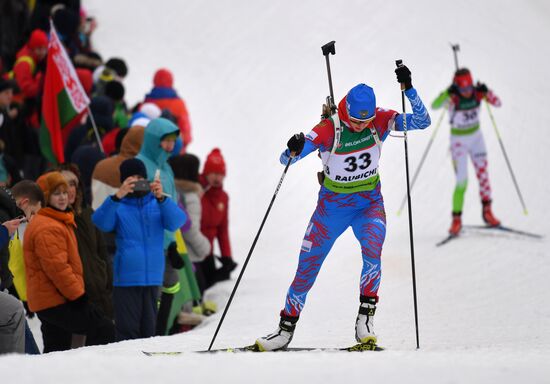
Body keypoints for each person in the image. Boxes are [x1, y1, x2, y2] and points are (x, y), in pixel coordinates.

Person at [255, 65, 431, 351]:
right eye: (356, 121)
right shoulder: (329, 128)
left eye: (366, 122)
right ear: (346, 111)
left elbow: (423, 121)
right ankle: (285, 330)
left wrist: (408, 88)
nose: (362, 126)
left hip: (369, 205)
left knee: (373, 254)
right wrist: (294, 147)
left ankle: (365, 321)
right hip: (331, 211)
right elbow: (285, 159)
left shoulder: (381, 121)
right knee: (306, 268)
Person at [92, 158, 187, 341]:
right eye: (131, 178)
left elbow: (176, 222)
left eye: (140, 177)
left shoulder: (157, 203)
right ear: (123, 182)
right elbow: (101, 223)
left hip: (152, 278)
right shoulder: (118, 205)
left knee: (148, 332)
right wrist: (117, 196)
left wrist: (162, 198)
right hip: (127, 279)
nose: (136, 181)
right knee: (128, 332)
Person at [23, 171, 114, 352]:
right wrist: (78, 297)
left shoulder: (58, 220)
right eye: (57, 194)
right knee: (103, 328)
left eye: (65, 192)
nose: (63, 197)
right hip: (55, 300)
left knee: (57, 346)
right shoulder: (47, 226)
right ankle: (94, 370)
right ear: (46, 197)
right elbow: (58, 269)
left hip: (52, 299)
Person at [431, 68, 502, 236]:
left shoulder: (478, 94)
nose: (467, 92)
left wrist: (487, 92)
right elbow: (434, 106)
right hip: (458, 142)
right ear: (457, 87)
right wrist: (447, 93)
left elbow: (497, 103)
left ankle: (487, 212)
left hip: (477, 139)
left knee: (483, 175)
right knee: (462, 180)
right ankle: (456, 219)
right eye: (463, 89)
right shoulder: (452, 97)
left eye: (469, 88)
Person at [58, 164, 114, 329]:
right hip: (76, 299)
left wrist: (108, 280)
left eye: (73, 184)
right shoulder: (54, 221)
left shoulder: (89, 213)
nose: (70, 189)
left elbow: (102, 251)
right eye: (64, 185)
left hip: (100, 292)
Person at [199, 148, 237, 288]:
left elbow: (222, 230)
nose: (217, 178)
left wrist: (226, 256)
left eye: (220, 174)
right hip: (193, 253)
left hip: (208, 254)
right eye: (213, 173)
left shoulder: (223, 198)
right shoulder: (197, 192)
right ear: (206, 173)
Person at [144, 68, 192, 148]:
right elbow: (186, 132)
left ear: (154, 81)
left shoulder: (148, 102)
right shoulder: (179, 104)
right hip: (174, 148)